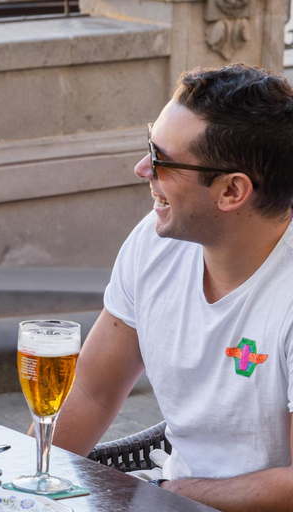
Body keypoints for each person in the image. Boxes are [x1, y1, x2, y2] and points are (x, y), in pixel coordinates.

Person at [50, 63, 293, 511]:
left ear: (231, 191)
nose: (142, 168)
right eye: (149, 145)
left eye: (161, 159)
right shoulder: (155, 241)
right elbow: (92, 390)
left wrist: (176, 495)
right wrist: (16, 484)